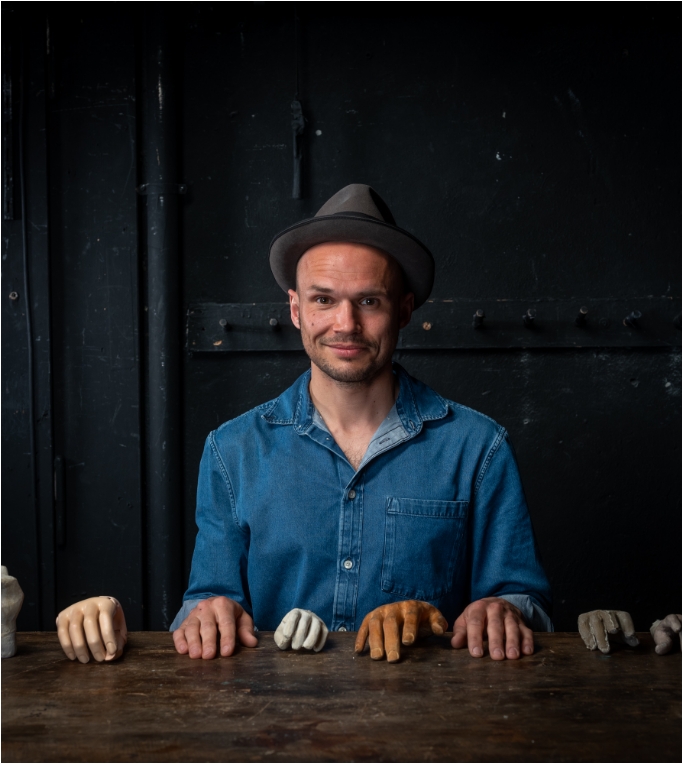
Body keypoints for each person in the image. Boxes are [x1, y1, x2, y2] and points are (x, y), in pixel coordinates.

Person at [56, 183, 552, 664]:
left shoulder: (477, 447)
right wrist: (208, 613)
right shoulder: (233, 451)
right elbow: (207, 603)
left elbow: (524, 606)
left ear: (403, 311)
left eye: (369, 301)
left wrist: (502, 609)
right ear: (295, 309)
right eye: (323, 300)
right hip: (274, 732)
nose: (345, 324)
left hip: (428, 733)